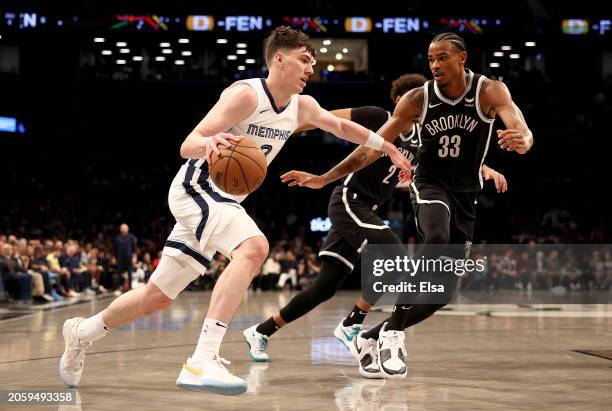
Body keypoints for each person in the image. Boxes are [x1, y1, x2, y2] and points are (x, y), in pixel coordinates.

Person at [58, 26, 411, 396]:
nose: (311, 68)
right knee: (254, 247)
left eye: (313, 62)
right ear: (279, 58)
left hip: (223, 201)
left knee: (157, 296)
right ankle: (203, 358)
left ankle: (81, 333)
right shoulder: (246, 95)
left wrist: (387, 147)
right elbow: (187, 144)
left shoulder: (302, 107)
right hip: (197, 188)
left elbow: (340, 126)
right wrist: (210, 142)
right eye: (304, 59)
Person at [264, 32, 533, 379]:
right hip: (429, 185)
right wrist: (324, 177)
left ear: (462, 58)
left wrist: (522, 141)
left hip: (466, 196)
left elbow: (520, 127)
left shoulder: (490, 90)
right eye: (431, 58)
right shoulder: (415, 101)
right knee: (435, 235)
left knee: (439, 295)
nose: (435, 64)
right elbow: (369, 149)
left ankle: (370, 336)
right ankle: (393, 333)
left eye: (442, 58)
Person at [113, 224, 138, 291]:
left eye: (125, 228)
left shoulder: (131, 237)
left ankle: (130, 287)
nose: (123, 229)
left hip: (129, 258)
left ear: (127, 229)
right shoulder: (117, 237)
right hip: (120, 258)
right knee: (119, 273)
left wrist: (134, 257)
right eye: (122, 228)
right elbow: (114, 248)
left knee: (130, 273)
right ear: (120, 229)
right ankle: (119, 287)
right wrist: (114, 257)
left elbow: (134, 248)